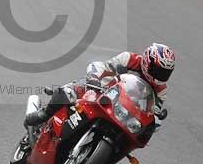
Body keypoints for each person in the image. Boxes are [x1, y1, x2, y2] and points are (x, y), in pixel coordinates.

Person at [24, 43, 176, 127]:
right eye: (158, 70)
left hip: (125, 111)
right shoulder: (129, 59)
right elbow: (104, 67)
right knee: (69, 92)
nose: (160, 76)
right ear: (147, 61)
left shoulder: (161, 90)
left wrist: (156, 120)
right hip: (101, 90)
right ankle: (45, 113)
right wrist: (94, 80)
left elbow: (154, 112)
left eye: (164, 73)